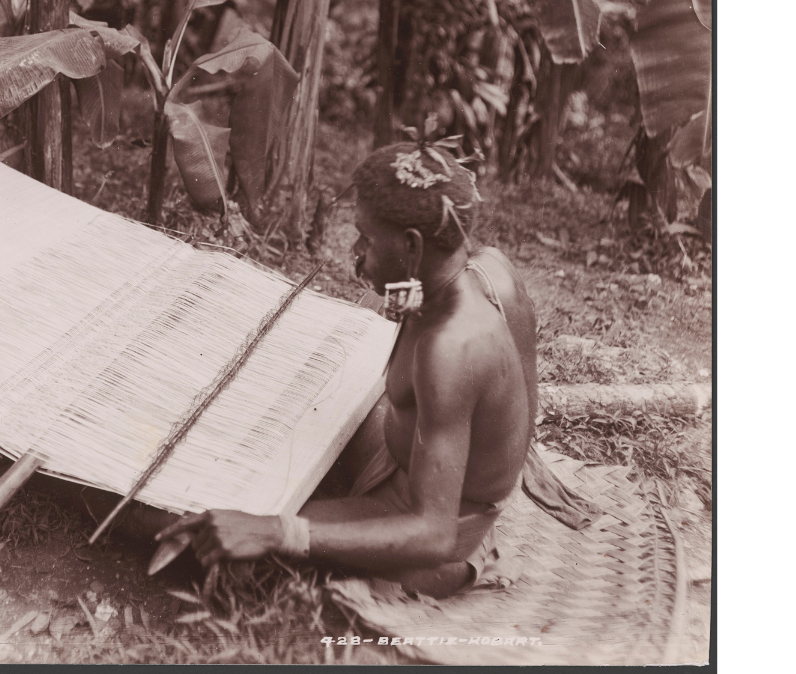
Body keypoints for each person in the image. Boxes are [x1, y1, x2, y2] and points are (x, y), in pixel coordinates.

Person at [154, 142, 538, 598]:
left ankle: (444, 570)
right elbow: (514, 410)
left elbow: (434, 534)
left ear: (412, 246)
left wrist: (280, 532)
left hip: (436, 532)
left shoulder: (450, 351)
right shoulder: (484, 272)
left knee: (189, 525)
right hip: (412, 460)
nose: (355, 253)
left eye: (366, 239)